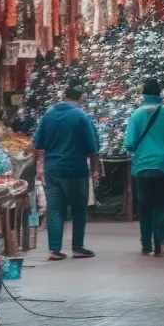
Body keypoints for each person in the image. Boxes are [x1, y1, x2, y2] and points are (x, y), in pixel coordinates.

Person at [33, 81, 100, 260]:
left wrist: (38, 168)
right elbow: (93, 148)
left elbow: (38, 145)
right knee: (79, 209)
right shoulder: (81, 116)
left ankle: (54, 250)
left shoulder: (49, 115)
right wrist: (95, 170)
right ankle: (77, 247)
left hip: (52, 169)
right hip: (75, 168)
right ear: (80, 98)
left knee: (55, 209)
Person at [125, 77, 164, 256]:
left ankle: (146, 244)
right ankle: (163, 241)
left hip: (143, 166)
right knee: (163, 205)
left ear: (143, 94)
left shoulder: (136, 115)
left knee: (145, 206)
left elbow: (129, 143)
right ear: (159, 93)